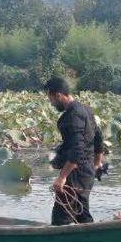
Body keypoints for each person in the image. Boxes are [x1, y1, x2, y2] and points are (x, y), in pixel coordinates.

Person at [45, 77, 104, 225]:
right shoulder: (86, 110)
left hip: (75, 175)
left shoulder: (73, 115)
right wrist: (97, 163)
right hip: (87, 173)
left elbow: (77, 150)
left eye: (51, 99)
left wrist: (62, 178)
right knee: (82, 217)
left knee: (60, 219)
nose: (51, 103)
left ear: (58, 95)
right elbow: (98, 138)